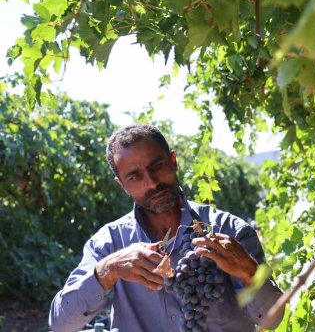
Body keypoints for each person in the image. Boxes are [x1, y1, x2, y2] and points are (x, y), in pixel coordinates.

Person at [48, 123, 285, 332]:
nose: (152, 183)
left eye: (157, 166)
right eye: (135, 176)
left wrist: (248, 271)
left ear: (173, 162)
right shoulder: (109, 243)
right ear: (122, 185)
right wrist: (108, 270)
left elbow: (273, 320)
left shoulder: (229, 230)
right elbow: (61, 323)